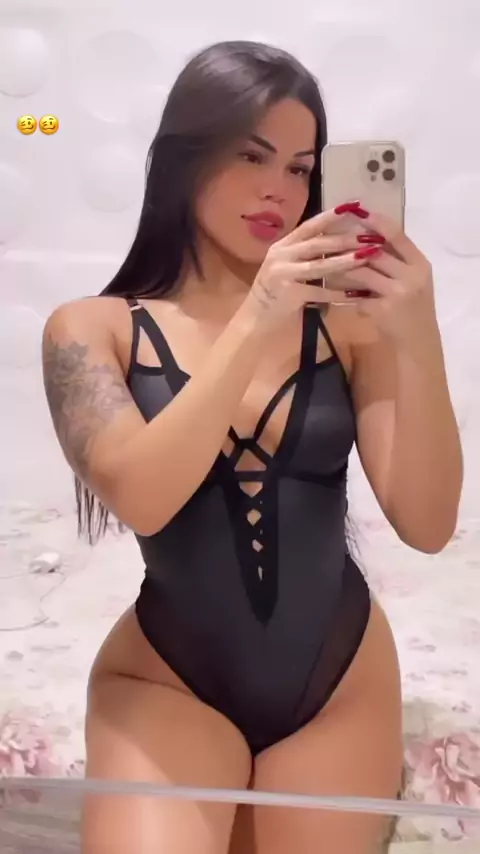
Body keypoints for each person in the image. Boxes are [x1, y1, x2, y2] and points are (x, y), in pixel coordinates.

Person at [41, 40, 462, 854]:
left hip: (337, 680)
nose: (280, 189)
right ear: (184, 157)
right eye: (250, 155)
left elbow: (429, 522)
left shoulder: (348, 327)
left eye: (301, 169)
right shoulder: (90, 330)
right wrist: (259, 312)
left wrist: (417, 331)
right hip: (167, 680)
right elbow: (143, 497)